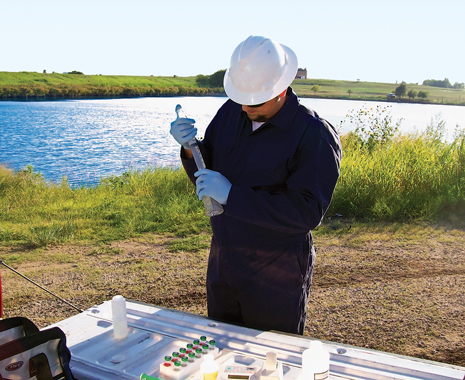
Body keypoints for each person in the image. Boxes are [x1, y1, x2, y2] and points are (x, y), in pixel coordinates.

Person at [170, 35, 342, 335]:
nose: (246, 107)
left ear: (281, 90)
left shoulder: (313, 134)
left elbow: (306, 211)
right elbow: (207, 173)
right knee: (220, 351)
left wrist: (233, 196)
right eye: (241, 98)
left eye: (255, 101)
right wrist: (190, 149)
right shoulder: (231, 112)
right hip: (224, 262)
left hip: (276, 275)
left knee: (270, 360)